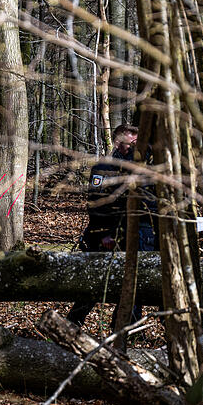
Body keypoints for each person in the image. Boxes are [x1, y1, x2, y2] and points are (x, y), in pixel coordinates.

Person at [67, 125, 157, 327]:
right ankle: (74, 321)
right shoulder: (104, 167)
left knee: (136, 281)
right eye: (131, 139)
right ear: (119, 141)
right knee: (98, 281)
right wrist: (105, 234)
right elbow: (98, 204)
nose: (135, 142)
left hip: (137, 234)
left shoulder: (143, 166)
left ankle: (126, 326)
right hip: (107, 236)